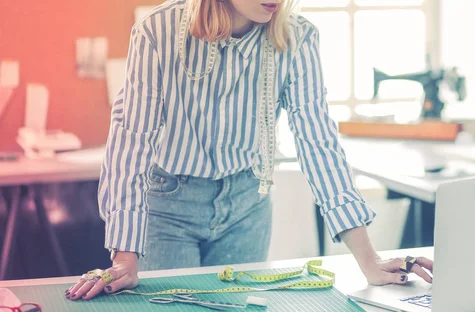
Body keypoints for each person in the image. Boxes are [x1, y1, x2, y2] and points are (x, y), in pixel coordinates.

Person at [65, 0, 433, 301]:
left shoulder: (298, 37)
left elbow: (318, 142)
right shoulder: (157, 32)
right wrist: (125, 256)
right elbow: (132, 139)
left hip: (247, 208)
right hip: (168, 208)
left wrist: (368, 259)